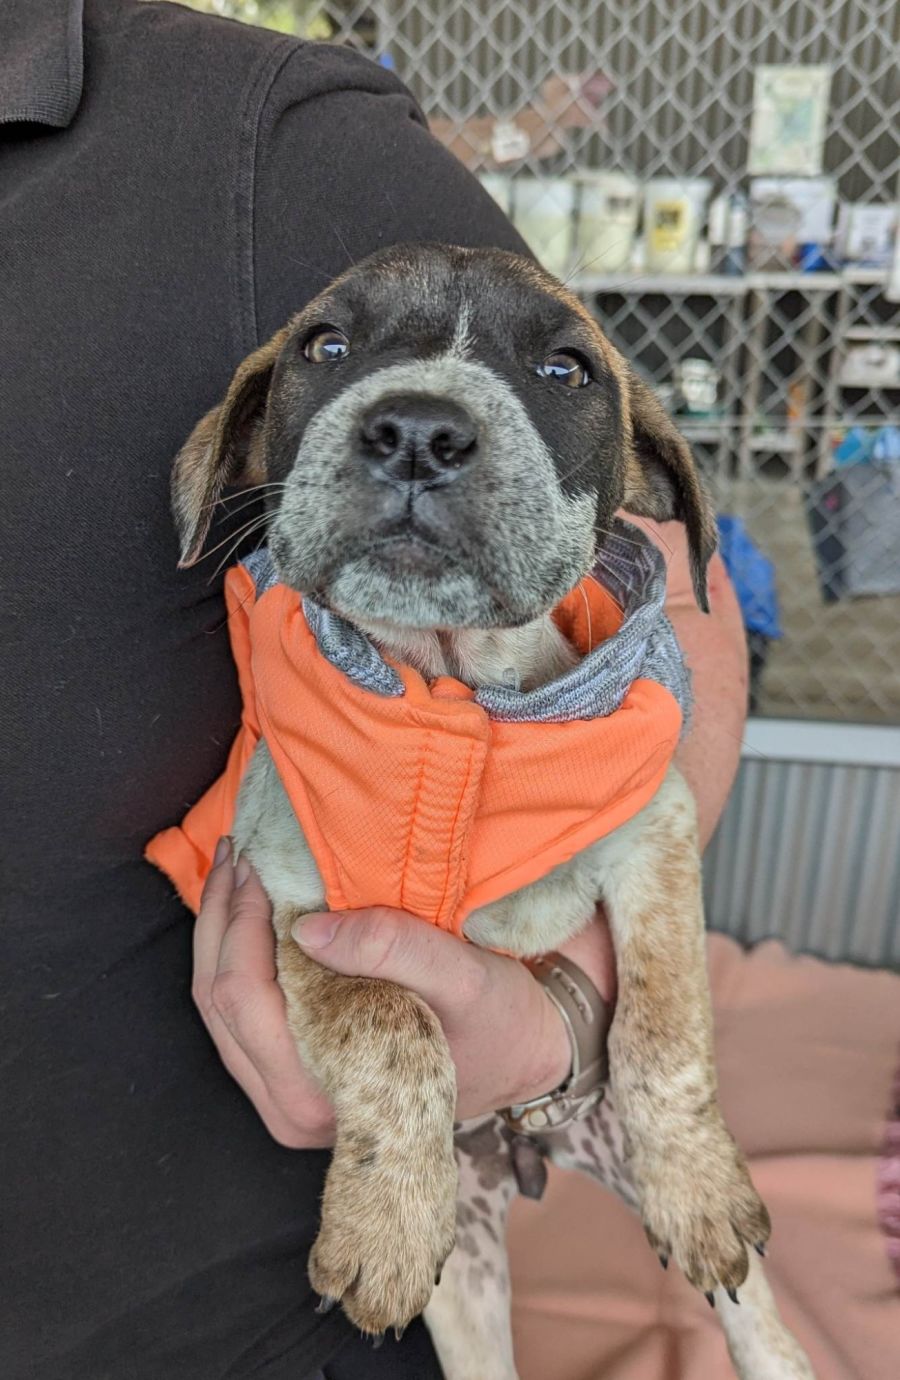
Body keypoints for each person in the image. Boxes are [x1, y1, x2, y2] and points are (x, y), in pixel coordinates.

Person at [0, 2, 747, 1377]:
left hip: (248, 1313)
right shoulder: (305, 706)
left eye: (551, 371)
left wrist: (566, 1029)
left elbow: (680, 637)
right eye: (338, 356)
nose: (415, 427)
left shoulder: (260, 131)